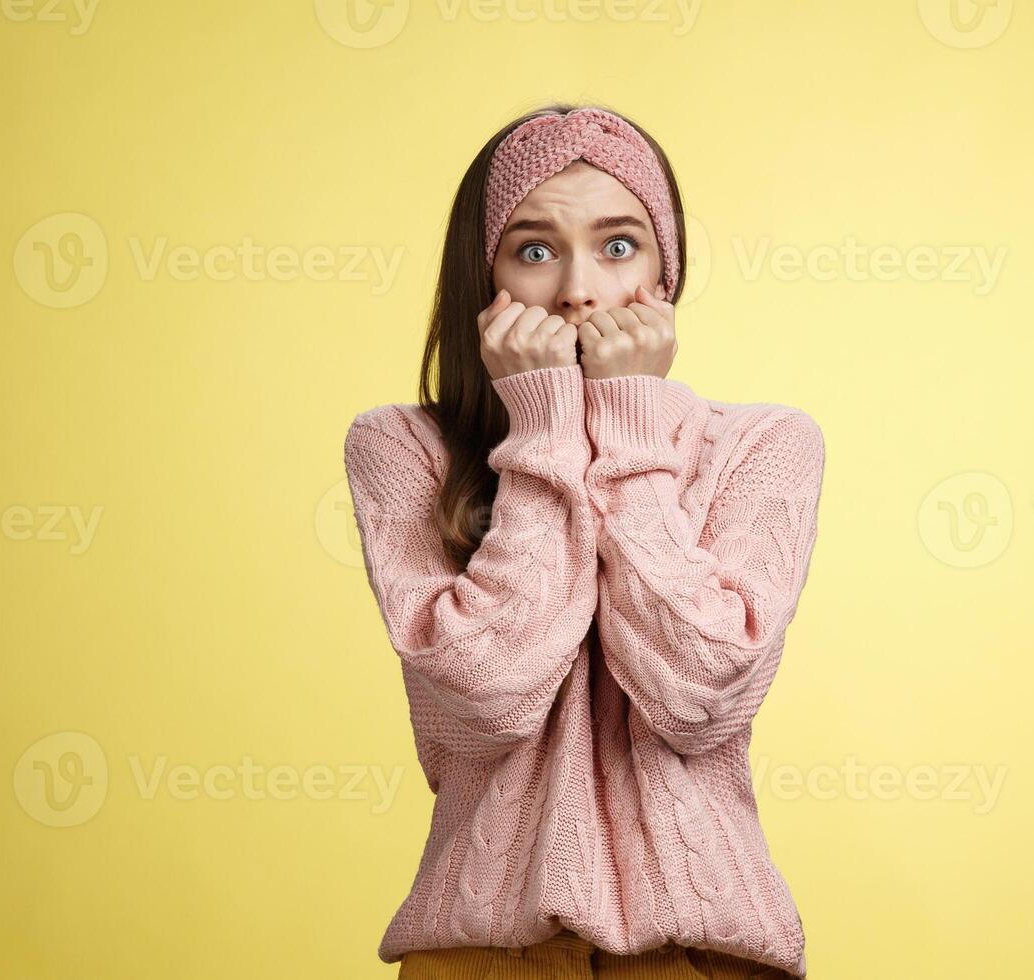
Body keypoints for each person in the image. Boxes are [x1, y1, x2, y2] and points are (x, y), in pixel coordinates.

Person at [342, 104, 826, 979]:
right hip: (480, 957)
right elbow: (488, 699)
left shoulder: (764, 445)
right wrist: (543, 433)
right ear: (479, 276)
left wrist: (630, 433)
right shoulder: (401, 448)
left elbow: (698, 699)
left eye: (618, 246)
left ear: (664, 275)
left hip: (700, 956)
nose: (577, 289)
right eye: (534, 250)